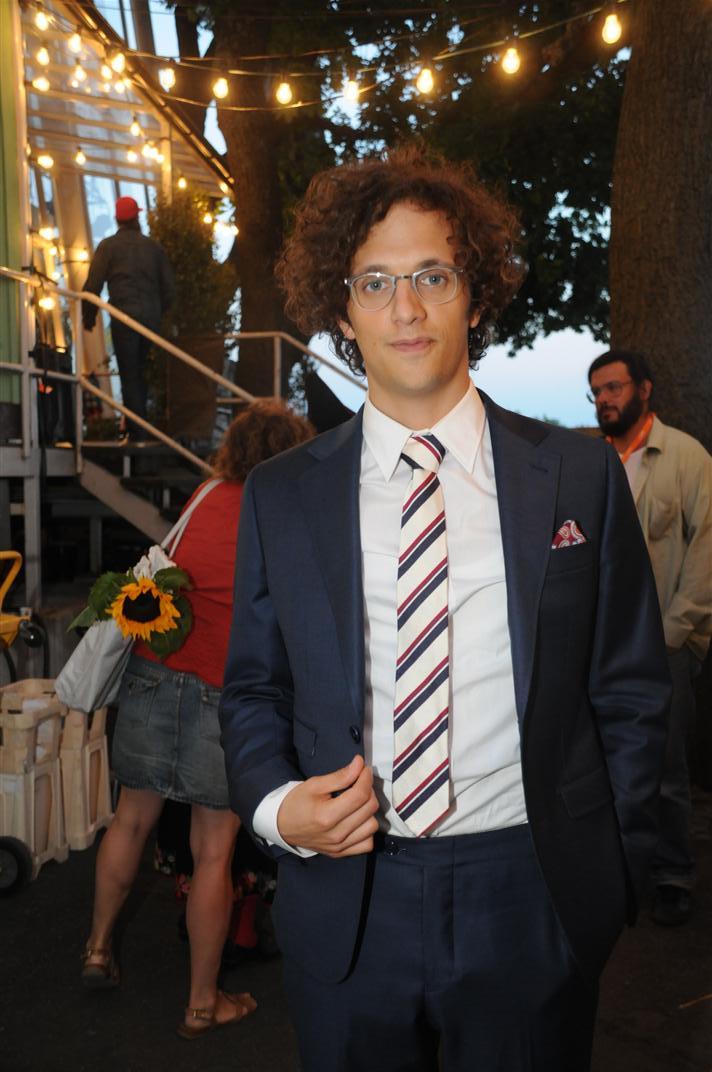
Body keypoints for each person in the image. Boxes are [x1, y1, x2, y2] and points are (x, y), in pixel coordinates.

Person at [218, 147, 671, 1072]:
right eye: (375, 282)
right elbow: (254, 689)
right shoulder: (281, 494)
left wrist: (620, 872)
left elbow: (631, 689)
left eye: (433, 275)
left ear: (476, 293)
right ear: (342, 309)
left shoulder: (578, 474)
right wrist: (275, 808)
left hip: (531, 892)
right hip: (349, 896)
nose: (407, 309)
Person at [81, 399, 314, 1040]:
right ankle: (203, 1004)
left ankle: (97, 949)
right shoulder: (286, 514)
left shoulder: (206, 496)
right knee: (214, 853)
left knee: (130, 820)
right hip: (226, 693)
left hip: (155, 674)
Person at [588, 350, 712, 926]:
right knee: (602, 765)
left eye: (614, 387)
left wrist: (676, 632)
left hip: (663, 644)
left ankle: (672, 874)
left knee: (664, 770)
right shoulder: (593, 461)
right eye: (597, 392)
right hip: (600, 647)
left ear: (644, 389)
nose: (605, 400)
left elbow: (707, 548)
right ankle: (621, 875)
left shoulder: (687, 457)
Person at [82, 195, 174, 439]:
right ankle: (150, 429)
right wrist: (162, 315)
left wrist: (88, 318)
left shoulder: (108, 247)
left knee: (130, 375)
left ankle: (137, 433)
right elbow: (169, 289)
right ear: (137, 218)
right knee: (148, 374)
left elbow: (92, 286)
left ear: (117, 219)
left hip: (123, 319)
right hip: (151, 321)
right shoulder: (154, 248)